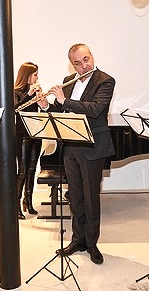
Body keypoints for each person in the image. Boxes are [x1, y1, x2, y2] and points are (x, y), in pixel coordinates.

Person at [38, 43, 115, 264]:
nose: (83, 66)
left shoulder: (105, 80)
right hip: (70, 146)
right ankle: (78, 240)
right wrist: (46, 106)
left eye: (86, 60)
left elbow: (95, 109)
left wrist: (64, 100)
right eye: (77, 63)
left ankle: (92, 244)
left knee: (91, 199)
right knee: (75, 197)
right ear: (72, 64)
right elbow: (62, 112)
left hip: (93, 147)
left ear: (92, 56)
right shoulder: (67, 81)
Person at [14, 62, 43, 220]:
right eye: (35, 74)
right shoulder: (17, 91)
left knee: (32, 169)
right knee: (23, 171)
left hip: (35, 133)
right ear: (27, 75)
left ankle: (28, 201)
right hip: (22, 135)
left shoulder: (36, 91)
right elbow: (15, 108)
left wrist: (40, 98)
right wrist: (29, 94)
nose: (37, 77)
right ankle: (16, 204)